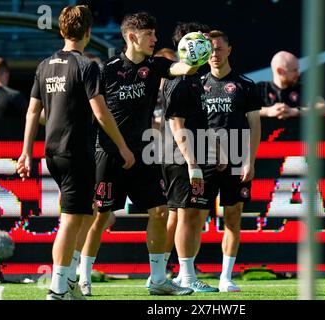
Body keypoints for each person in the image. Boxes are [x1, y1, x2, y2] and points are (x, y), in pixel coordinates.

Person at [16, 5, 134, 300]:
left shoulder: (44, 65)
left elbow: (33, 112)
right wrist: (121, 145)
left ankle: (67, 284)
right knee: (71, 219)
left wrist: (25, 152)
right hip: (76, 152)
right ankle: (57, 287)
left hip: (53, 152)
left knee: (80, 216)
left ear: (61, 31)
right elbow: (101, 111)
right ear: (89, 32)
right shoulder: (87, 66)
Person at [82, 12, 197, 296]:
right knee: (100, 216)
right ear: (132, 37)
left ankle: (158, 279)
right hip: (108, 154)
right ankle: (82, 277)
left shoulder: (155, 65)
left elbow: (182, 70)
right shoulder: (104, 69)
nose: (155, 39)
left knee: (159, 211)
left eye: (155, 35)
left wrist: (196, 58)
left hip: (144, 153)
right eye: (150, 35)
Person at [200, 30, 262, 292]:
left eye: (218, 48)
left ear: (229, 50)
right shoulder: (196, 84)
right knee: (195, 217)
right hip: (205, 159)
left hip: (237, 158)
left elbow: (255, 125)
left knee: (233, 217)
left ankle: (226, 277)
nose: (214, 54)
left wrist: (250, 159)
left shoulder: (246, 85)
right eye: (210, 50)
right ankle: (187, 274)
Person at [161, 21, 220, 293]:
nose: (211, 47)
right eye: (205, 40)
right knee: (185, 215)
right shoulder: (180, 80)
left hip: (196, 156)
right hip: (181, 157)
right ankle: (185, 277)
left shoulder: (197, 78)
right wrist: (192, 163)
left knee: (196, 216)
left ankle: (185, 274)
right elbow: (176, 125)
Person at [257, 51, 325, 119]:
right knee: (245, 129)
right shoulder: (261, 89)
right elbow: (245, 110)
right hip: (265, 133)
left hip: (297, 133)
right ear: (280, 71)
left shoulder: (303, 89)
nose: (298, 74)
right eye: (294, 70)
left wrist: (295, 111)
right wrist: (268, 111)